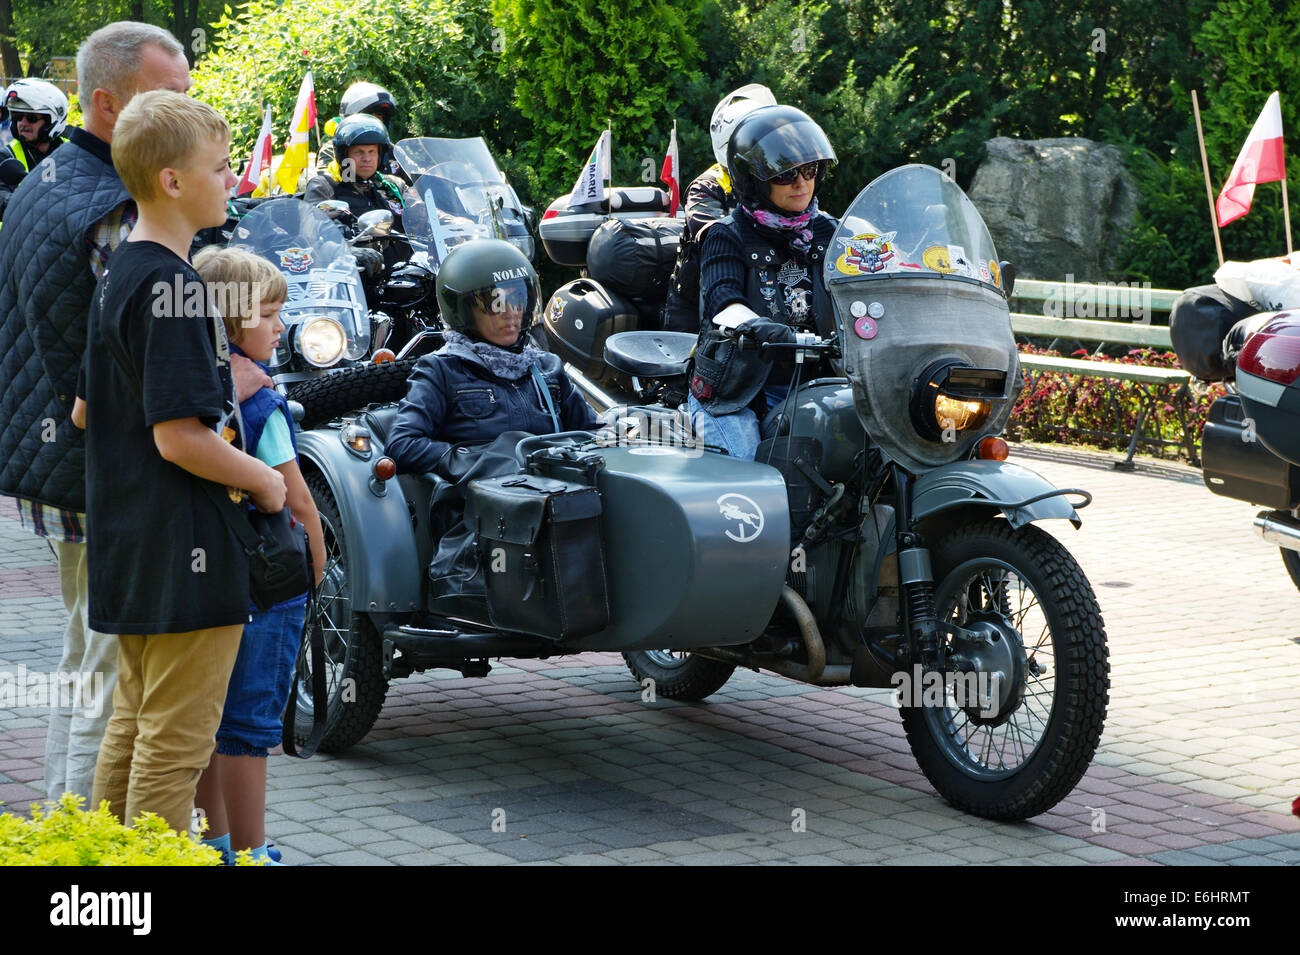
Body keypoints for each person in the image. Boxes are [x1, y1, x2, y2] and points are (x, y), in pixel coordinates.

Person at [0, 22, 272, 808]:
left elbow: (88, 381)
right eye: (169, 96)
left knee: (99, 683)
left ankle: (80, 847)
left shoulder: (48, 179)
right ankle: (96, 861)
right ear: (111, 104)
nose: (187, 107)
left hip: (71, 470)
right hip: (126, 495)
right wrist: (255, 460)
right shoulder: (123, 220)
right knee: (120, 697)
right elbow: (162, 408)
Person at [81, 90, 288, 834]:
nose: (231, 178)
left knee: (134, 727)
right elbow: (177, 437)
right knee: (174, 745)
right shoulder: (174, 285)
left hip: (132, 540)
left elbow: (84, 410)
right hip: (185, 547)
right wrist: (266, 481)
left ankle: (107, 880)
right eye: (220, 166)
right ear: (172, 180)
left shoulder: (120, 272)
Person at [191, 247, 325, 865]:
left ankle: (215, 843)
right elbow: (293, 494)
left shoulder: (200, 387)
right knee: (249, 726)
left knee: (209, 723)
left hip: (209, 576)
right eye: (270, 315)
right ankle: (252, 852)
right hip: (269, 585)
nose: (280, 328)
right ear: (234, 320)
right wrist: (318, 554)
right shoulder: (262, 399)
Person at [386, 240, 598, 603]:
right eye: (494, 303)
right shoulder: (441, 369)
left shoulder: (545, 367)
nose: (510, 312)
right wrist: (473, 460)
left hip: (563, 509)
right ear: (463, 310)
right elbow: (403, 443)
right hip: (488, 520)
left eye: (517, 299)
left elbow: (591, 432)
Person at [687, 105, 840, 461]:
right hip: (739, 389)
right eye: (785, 175)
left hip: (818, 383)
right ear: (754, 180)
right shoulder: (727, 234)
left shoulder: (830, 231)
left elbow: (877, 269)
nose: (802, 182)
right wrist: (758, 326)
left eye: (809, 169)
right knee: (753, 480)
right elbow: (723, 301)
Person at [661, 84, 777, 333]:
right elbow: (713, 234)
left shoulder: (773, 184)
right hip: (700, 303)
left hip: (760, 294)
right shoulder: (706, 187)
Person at [304, 113, 412, 267]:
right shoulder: (325, 186)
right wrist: (346, 252)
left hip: (403, 277)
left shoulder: (393, 186)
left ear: (380, 154)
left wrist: (452, 221)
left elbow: (422, 214)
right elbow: (313, 232)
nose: (367, 158)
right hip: (354, 279)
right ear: (343, 154)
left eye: (372, 151)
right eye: (359, 152)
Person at [0, 79, 70, 221]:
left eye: (31, 118)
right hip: (17, 240)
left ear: (51, 121)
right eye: (18, 117)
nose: (22, 123)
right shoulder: (6, 156)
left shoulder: (72, 153)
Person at [315, 81, 398, 177]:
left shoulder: (391, 150)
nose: (374, 122)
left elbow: (414, 176)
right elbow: (326, 183)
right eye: (368, 117)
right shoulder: (334, 148)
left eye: (379, 116)